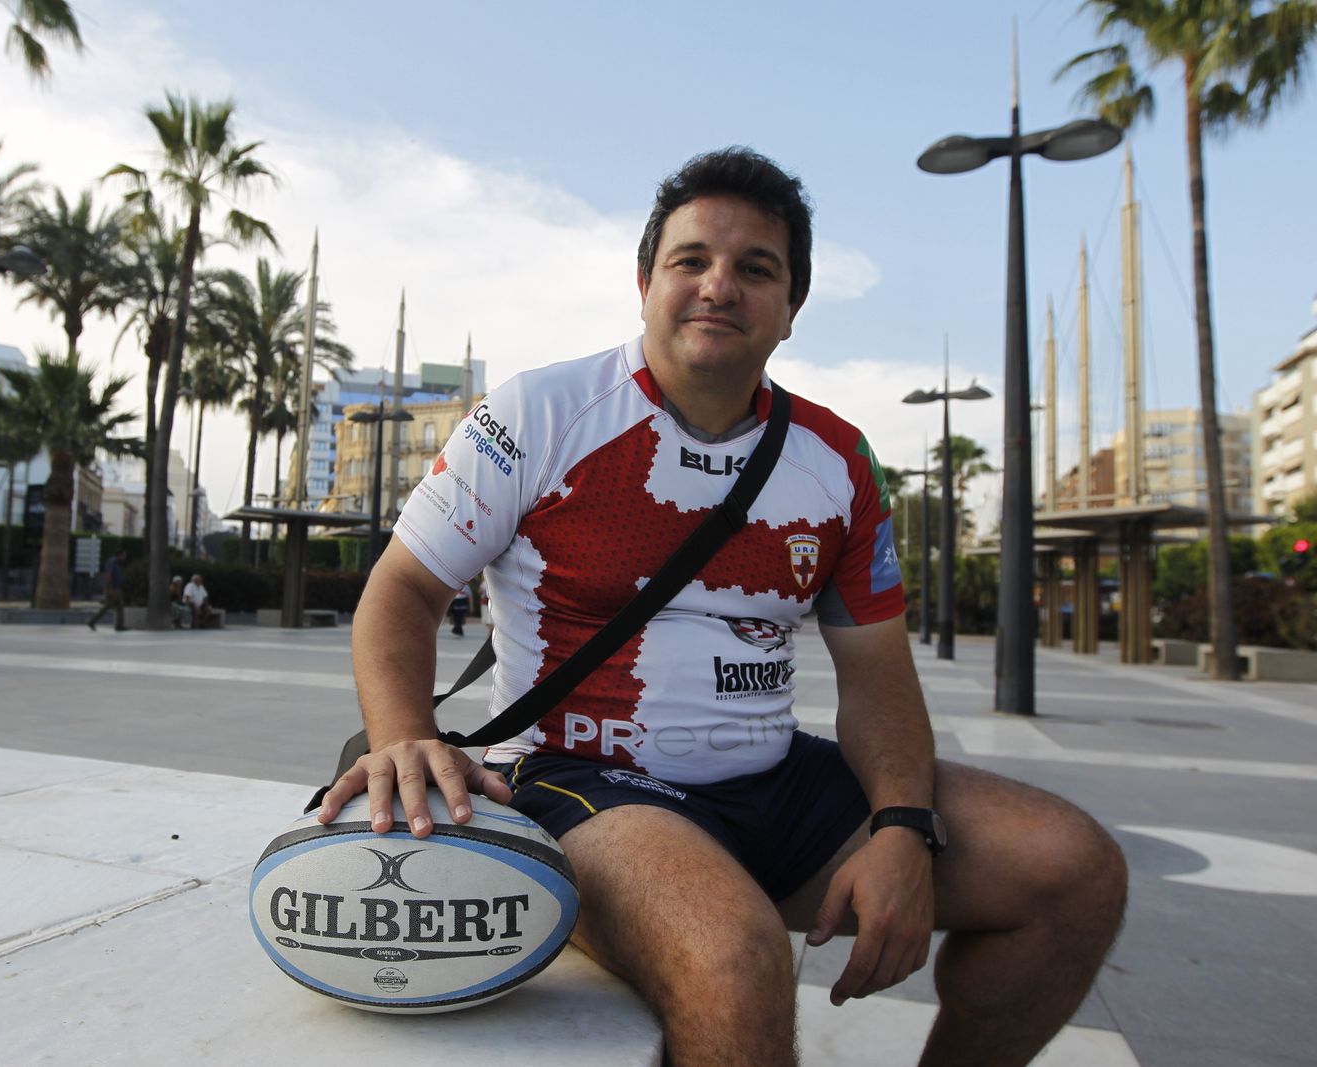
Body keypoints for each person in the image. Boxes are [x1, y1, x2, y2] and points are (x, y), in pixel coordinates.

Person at [319, 148, 1127, 1067]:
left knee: (1074, 870)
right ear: (644, 282)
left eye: (756, 269)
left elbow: (878, 675)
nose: (718, 287)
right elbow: (404, 591)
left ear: (792, 307)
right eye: (691, 260)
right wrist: (402, 735)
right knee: (738, 957)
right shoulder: (540, 414)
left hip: (771, 781)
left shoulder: (838, 459)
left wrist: (902, 823)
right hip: (583, 780)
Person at [87, 549, 128, 632]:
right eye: (124, 555)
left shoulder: (117, 563)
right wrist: (110, 589)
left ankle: (119, 626)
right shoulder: (112, 562)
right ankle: (92, 622)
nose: (125, 557)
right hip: (113, 588)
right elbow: (108, 575)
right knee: (107, 607)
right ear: (119, 555)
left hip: (117, 588)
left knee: (120, 607)